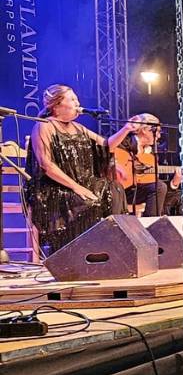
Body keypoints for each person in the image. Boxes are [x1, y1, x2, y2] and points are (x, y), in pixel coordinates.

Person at [24, 84, 134, 258]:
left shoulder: (79, 128)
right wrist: (76, 187)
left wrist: (126, 128)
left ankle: (112, 248)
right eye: (72, 99)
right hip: (54, 187)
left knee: (115, 189)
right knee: (89, 201)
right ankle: (82, 253)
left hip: (82, 182)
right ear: (57, 105)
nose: (78, 103)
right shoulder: (44, 126)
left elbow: (106, 145)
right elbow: (46, 165)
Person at [117, 113, 181, 217]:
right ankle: (153, 225)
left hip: (137, 191)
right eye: (157, 131)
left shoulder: (151, 154)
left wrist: (174, 182)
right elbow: (111, 154)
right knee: (160, 187)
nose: (159, 136)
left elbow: (154, 186)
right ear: (144, 130)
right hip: (122, 189)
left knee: (171, 192)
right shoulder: (124, 141)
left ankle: (153, 222)